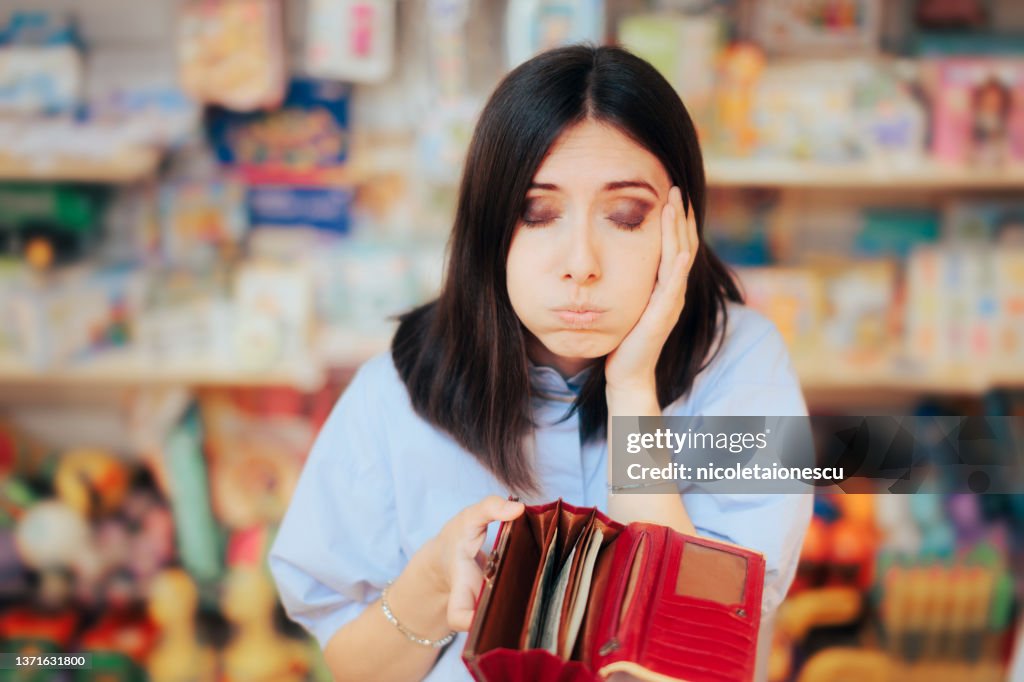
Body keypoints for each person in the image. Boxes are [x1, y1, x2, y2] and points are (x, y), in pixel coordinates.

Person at [269, 44, 811, 682]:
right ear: (490, 225)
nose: (580, 262)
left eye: (626, 216)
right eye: (538, 212)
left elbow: (703, 650)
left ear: (681, 224)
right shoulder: (395, 392)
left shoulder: (741, 361)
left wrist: (633, 387)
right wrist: (432, 585)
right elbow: (355, 668)